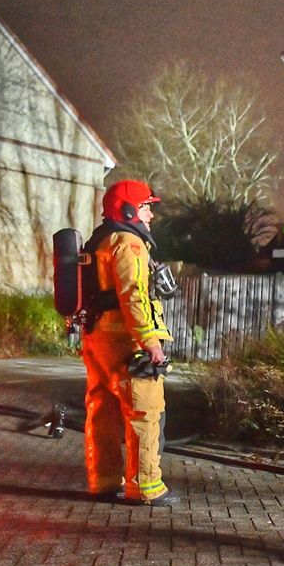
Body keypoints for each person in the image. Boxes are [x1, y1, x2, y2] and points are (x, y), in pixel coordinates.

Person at [81, 179, 179, 506]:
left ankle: (104, 481)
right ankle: (145, 486)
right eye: (146, 207)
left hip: (97, 337)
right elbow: (134, 295)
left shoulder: (100, 241)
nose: (150, 215)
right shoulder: (128, 243)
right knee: (144, 411)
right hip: (125, 339)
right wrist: (150, 341)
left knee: (102, 410)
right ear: (128, 209)